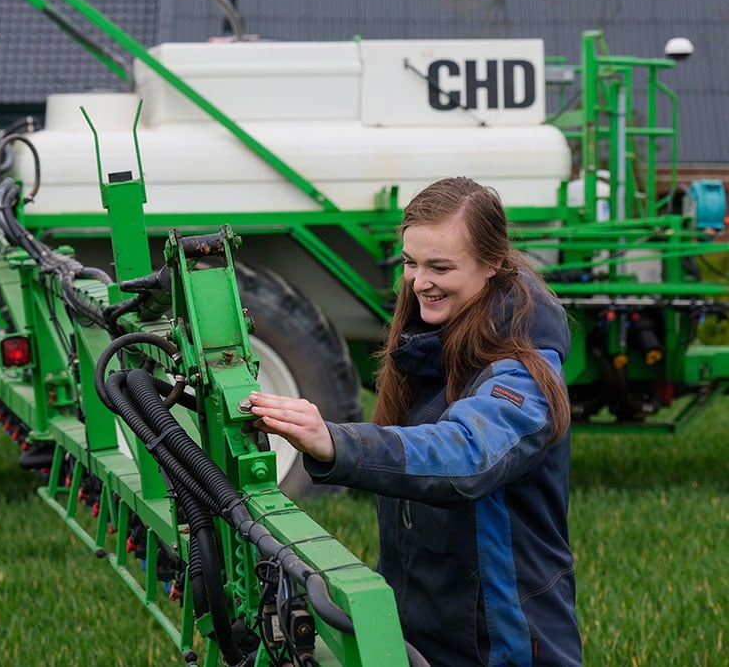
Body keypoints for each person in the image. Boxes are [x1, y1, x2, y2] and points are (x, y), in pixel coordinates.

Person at [249, 176, 581, 666]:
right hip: (426, 633)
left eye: (440, 266)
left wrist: (339, 443)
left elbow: (466, 453)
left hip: (502, 643)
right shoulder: (432, 344)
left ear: (492, 264)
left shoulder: (525, 372)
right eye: (410, 262)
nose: (419, 281)